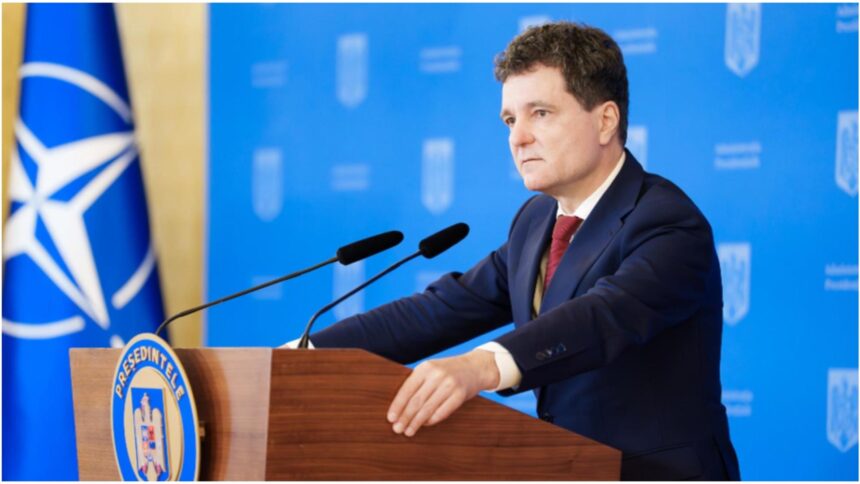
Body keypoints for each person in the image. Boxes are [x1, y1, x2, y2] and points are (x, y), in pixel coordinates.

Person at [298, 22, 740, 480]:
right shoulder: (536, 220)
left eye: (540, 114)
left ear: (605, 120)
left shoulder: (668, 222)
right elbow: (446, 308)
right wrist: (303, 356)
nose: (518, 137)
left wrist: (480, 366)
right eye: (510, 120)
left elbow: (603, 316)